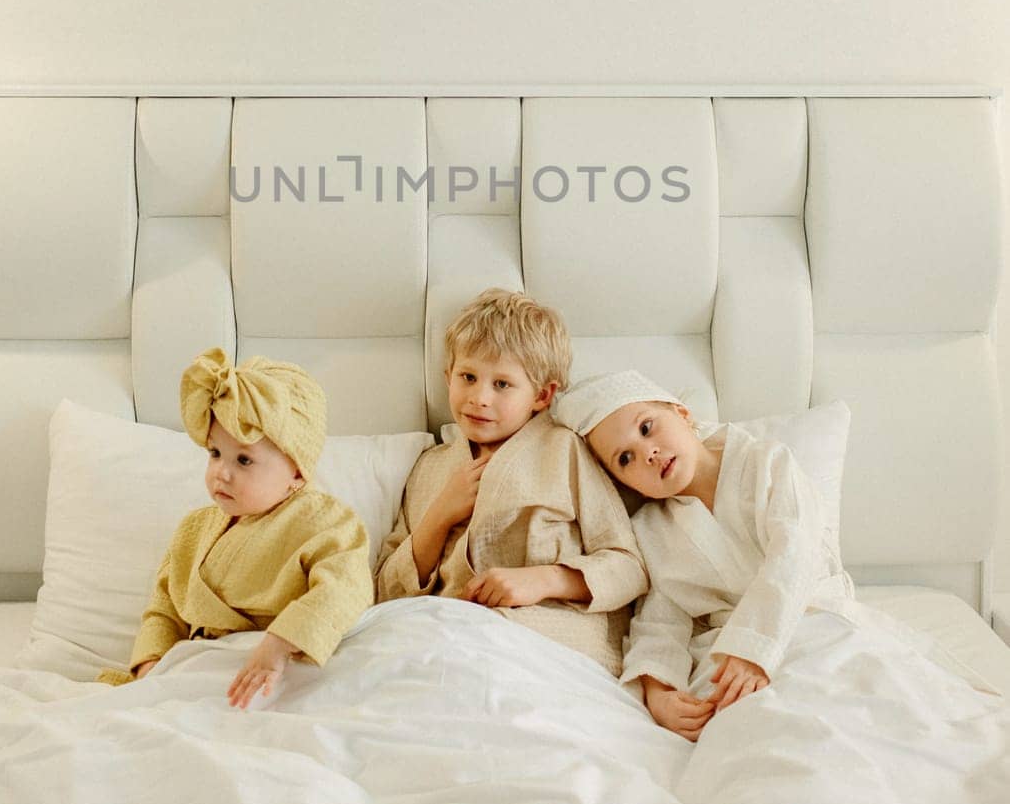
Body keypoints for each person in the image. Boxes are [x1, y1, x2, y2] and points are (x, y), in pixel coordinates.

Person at [553, 370, 857, 741]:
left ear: (682, 413)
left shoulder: (766, 462)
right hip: (725, 653)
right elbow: (660, 617)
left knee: (823, 722)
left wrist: (754, 650)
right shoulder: (652, 530)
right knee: (745, 734)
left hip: (808, 623)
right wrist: (658, 690)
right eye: (625, 459)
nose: (647, 453)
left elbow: (795, 552)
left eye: (647, 428)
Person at [374, 289, 646, 673]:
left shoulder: (563, 449)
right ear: (448, 376)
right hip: (444, 637)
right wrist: (438, 516)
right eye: (468, 377)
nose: (479, 397)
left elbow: (629, 568)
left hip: (543, 639)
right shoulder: (428, 467)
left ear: (542, 395)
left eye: (502, 384)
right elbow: (385, 590)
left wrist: (545, 579)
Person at [98, 348, 373, 708]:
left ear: (296, 471)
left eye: (244, 459)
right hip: (196, 670)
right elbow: (164, 609)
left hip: (270, 669)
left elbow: (346, 589)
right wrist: (151, 668)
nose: (221, 473)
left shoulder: (326, 522)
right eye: (215, 453)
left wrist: (278, 643)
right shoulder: (193, 530)